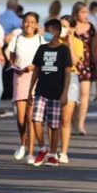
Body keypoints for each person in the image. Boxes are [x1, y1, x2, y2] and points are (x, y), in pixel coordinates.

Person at [28, 19, 72, 167]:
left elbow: (67, 73)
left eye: (50, 30)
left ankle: (53, 154)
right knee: (36, 119)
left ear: (58, 32)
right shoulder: (41, 49)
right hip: (41, 91)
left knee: (54, 125)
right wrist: (30, 91)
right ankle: (42, 148)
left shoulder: (64, 50)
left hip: (57, 92)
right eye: (46, 30)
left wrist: (65, 92)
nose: (47, 33)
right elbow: (36, 71)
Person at [9, 12, 45, 164]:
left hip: (35, 79)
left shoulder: (40, 40)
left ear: (37, 24)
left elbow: (45, 61)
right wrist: (18, 68)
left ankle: (30, 152)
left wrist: (34, 67)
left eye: (32, 22)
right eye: (26, 22)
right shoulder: (16, 39)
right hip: (20, 79)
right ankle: (22, 143)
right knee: (20, 118)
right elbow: (10, 60)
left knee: (30, 118)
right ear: (22, 23)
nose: (29, 25)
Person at [59, 15, 84, 164]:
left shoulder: (77, 43)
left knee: (65, 119)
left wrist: (69, 43)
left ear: (72, 28)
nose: (61, 29)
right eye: (60, 25)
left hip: (71, 78)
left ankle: (63, 152)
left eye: (65, 26)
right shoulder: (54, 41)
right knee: (53, 119)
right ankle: (52, 150)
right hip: (54, 78)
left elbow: (74, 61)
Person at [72, 2, 97, 135]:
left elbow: (93, 48)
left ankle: (81, 123)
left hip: (86, 63)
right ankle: (72, 120)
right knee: (73, 95)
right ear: (76, 13)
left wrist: (96, 65)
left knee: (84, 95)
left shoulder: (91, 27)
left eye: (86, 12)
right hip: (72, 64)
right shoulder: (70, 26)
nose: (85, 15)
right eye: (82, 12)